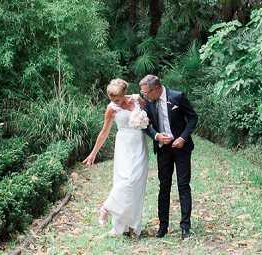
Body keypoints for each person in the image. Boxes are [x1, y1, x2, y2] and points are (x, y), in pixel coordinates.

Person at [82, 78, 149, 238]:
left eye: (117, 99)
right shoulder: (111, 109)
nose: (115, 102)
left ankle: (133, 227)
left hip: (139, 144)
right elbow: (104, 132)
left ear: (125, 93)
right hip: (124, 146)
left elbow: (149, 112)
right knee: (126, 180)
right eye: (112, 99)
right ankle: (107, 208)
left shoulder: (137, 100)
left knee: (138, 184)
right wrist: (93, 153)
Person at [139, 73, 198, 240]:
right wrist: (156, 136)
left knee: (183, 185)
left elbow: (193, 118)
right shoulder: (148, 103)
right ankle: (163, 226)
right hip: (163, 149)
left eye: (146, 92)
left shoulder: (177, 97)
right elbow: (145, 124)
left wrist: (182, 138)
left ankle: (185, 227)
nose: (145, 96)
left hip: (181, 148)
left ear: (156, 88)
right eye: (143, 93)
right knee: (164, 186)